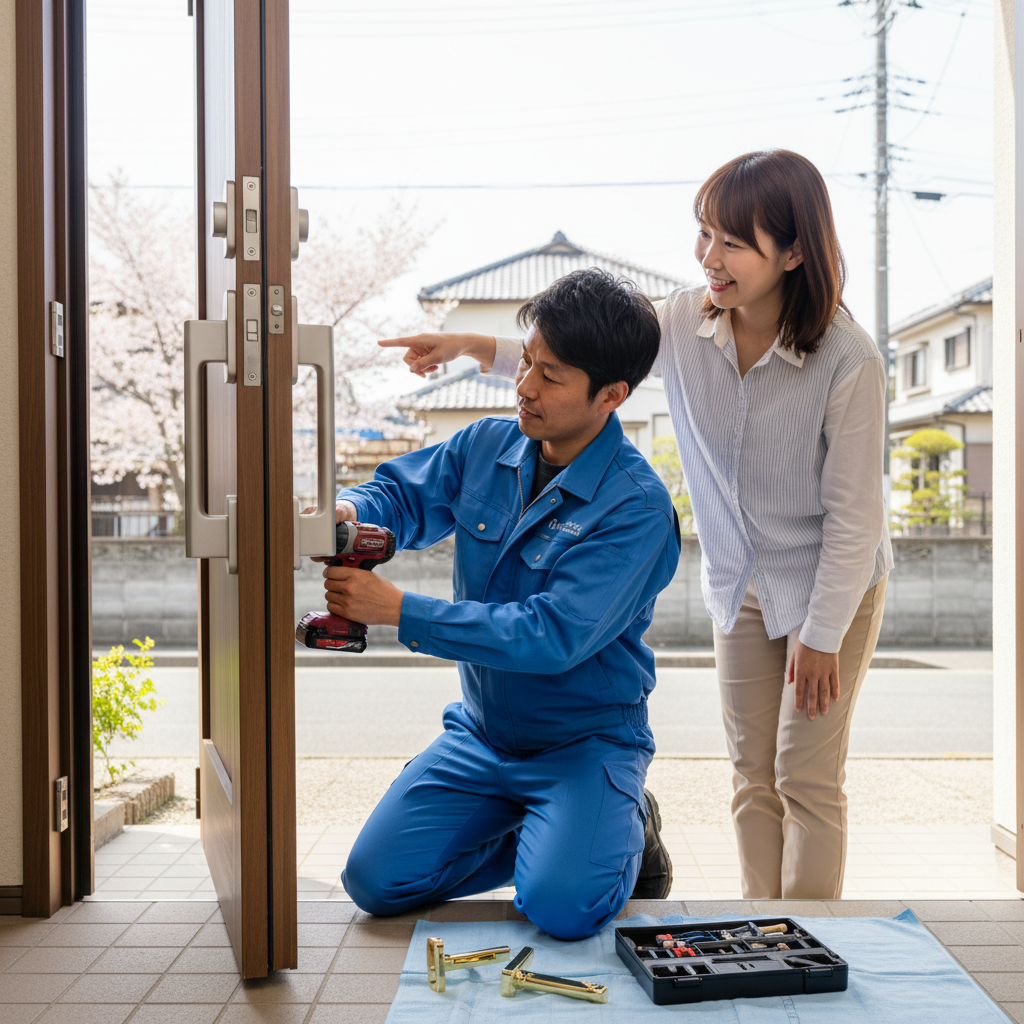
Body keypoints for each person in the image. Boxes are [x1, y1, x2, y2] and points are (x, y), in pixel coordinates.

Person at [381, 150, 892, 902]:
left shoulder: (849, 360)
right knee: (753, 774)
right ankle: (763, 925)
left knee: (805, 773)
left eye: (733, 243)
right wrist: (464, 346)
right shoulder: (689, 321)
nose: (709, 258)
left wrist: (821, 638)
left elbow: (855, 519)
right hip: (742, 581)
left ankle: (811, 942)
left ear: (793, 252)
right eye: (705, 233)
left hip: (832, 589)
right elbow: (576, 357)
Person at [326, 269, 681, 940]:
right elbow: (400, 496)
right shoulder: (485, 445)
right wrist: (350, 510)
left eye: (550, 376)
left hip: (585, 744)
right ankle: (562, 835)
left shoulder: (635, 507)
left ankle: (624, 826)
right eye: (525, 362)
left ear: (611, 396)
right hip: (482, 736)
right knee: (375, 883)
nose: (524, 386)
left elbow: (550, 635)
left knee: (560, 908)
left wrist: (401, 611)